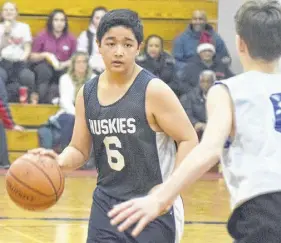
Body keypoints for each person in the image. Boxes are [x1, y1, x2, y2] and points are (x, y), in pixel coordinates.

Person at [107, 1, 281, 242]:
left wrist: (160, 197)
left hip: (265, 205)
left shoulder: (229, 90)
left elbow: (209, 151)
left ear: (240, 43)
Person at [28, 9, 198, 243]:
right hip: (106, 205)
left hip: (152, 205)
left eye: (127, 44)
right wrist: (58, 161)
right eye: (111, 43)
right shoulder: (86, 93)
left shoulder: (154, 91)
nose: (119, 51)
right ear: (98, 45)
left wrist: (169, 191)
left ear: (138, 47)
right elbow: (79, 149)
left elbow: (189, 139)